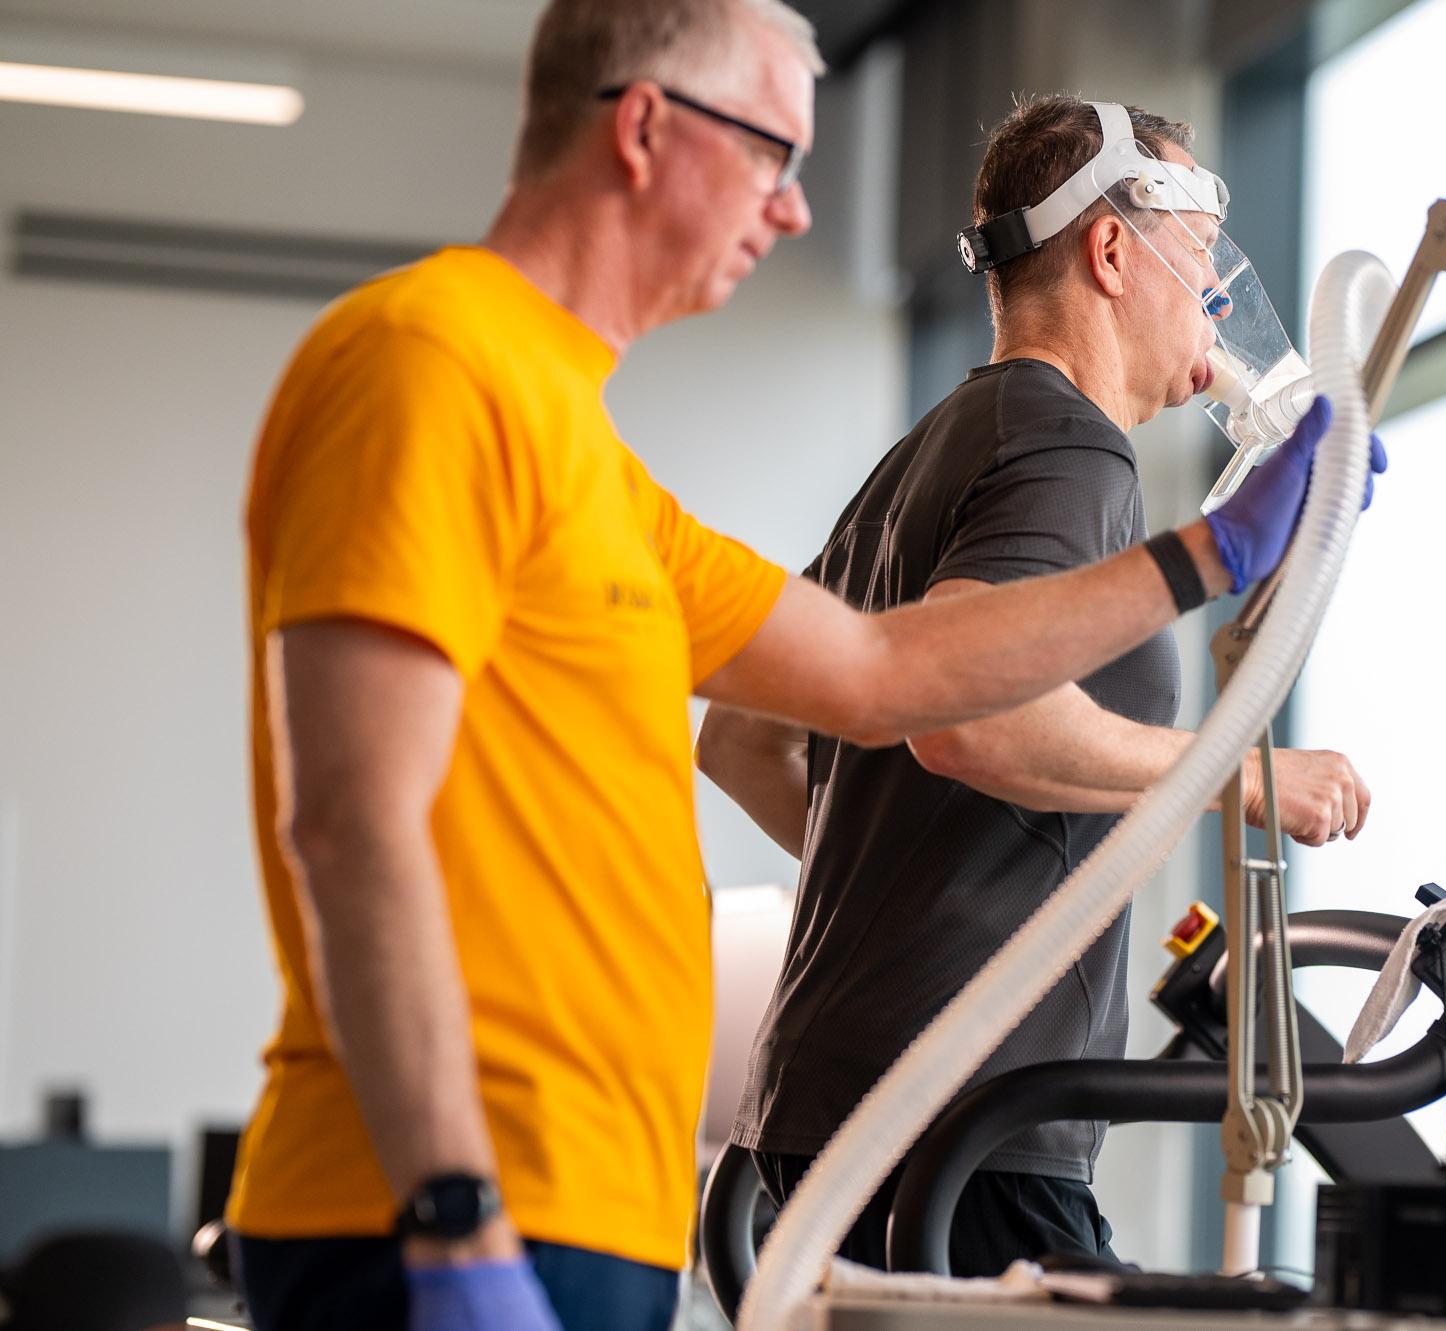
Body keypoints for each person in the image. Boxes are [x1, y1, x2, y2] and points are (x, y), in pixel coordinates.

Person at [223, 3, 1328, 1329]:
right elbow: (351, 818)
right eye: (772, 153)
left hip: (604, 1199)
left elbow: (874, 670)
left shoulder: (597, 463)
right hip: (438, 1208)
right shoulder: (429, 364)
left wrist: (1211, 549)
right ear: (643, 128)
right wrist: (451, 1209)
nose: (796, 211)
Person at [700, 95, 1385, 1276]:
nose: (1218, 293)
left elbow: (741, 737)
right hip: (959, 1129)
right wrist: (1250, 779)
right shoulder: (1068, 444)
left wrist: (912, 866)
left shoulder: (935, 445)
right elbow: (971, 720)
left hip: (835, 1111)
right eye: (1196, 249)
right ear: (1111, 252)